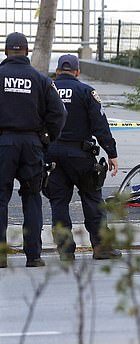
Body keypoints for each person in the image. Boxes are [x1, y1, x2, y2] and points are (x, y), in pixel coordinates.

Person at [44, 54, 121, 261]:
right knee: (92, 199)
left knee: (58, 202)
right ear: (77, 72)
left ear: (58, 71)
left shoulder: (47, 89)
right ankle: (102, 248)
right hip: (81, 156)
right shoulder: (87, 91)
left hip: (52, 155)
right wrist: (111, 153)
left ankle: (65, 251)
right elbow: (100, 126)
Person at [0, 32, 67, 268]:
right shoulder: (41, 79)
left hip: (3, 145)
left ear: (6, 51)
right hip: (32, 146)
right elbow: (59, 113)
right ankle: (33, 256)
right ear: (26, 52)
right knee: (32, 198)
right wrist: (47, 139)